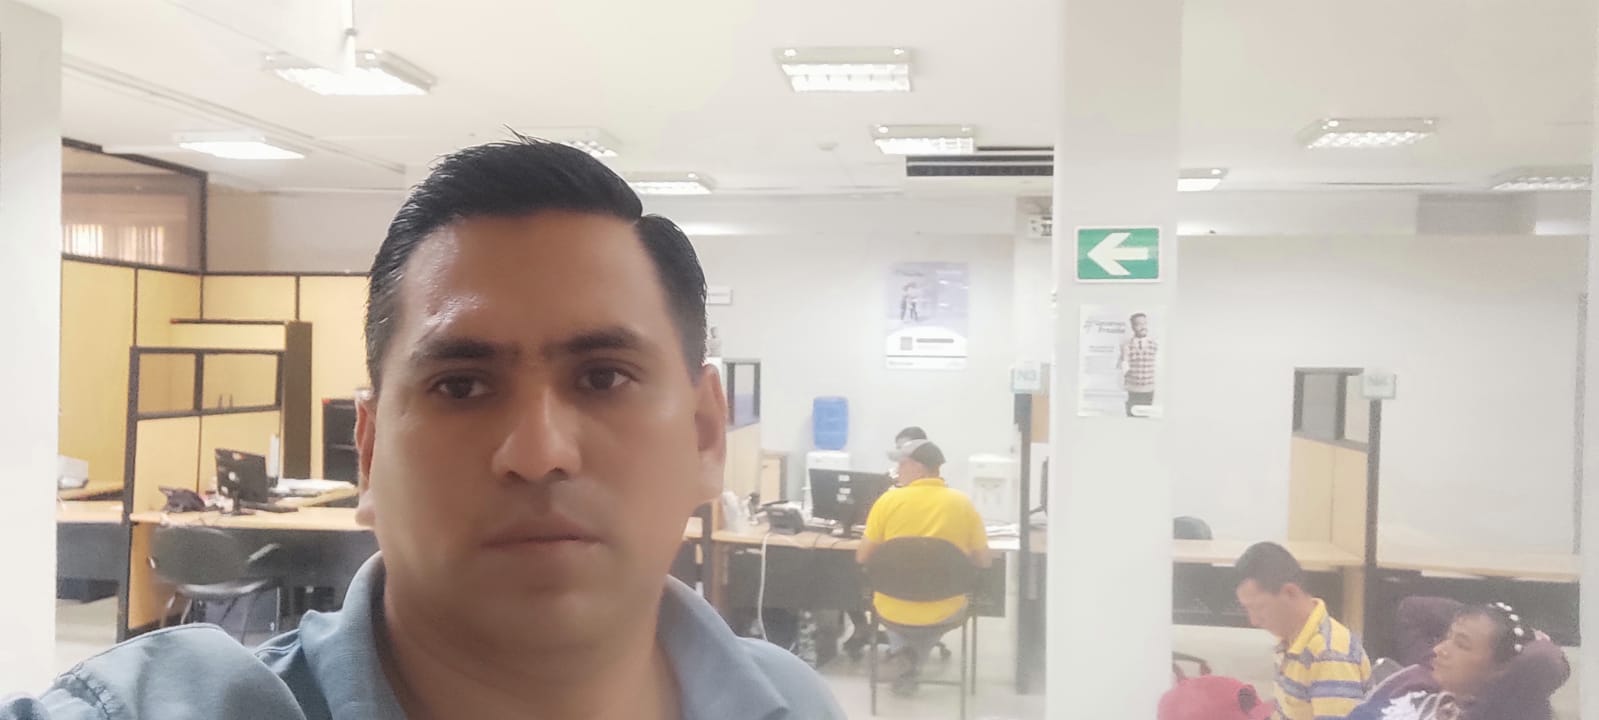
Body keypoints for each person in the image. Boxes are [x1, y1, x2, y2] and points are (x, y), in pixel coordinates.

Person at [2, 139, 843, 719]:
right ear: (369, 454)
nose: (538, 453)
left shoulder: (790, 703)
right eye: (461, 386)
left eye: (603, 378)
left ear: (704, 435)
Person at [856, 439, 989, 696]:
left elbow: (862, 557)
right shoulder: (962, 503)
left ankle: (905, 657)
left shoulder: (888, 501)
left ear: (918, 467)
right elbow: (984, 561)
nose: (897, 470)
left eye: (901, 464)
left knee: (898, 603)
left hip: (892, 607)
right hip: (945, 609)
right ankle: (912, 659)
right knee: (930, 609)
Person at [1234, 541, 1371, 720]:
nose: (1254, 621)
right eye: (1247, 609)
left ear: (1290, 592)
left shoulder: (1329, 655)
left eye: (1259, 608)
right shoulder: (1291, 638)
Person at [1348, 603, 1538, 720]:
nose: (1439, 650)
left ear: (1500, 669)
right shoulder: (1414, 690)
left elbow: (1546, 659)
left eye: (1462, 645)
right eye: (1447, 637)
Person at [839, 425, 932, 660]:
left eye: (904, 452)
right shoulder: (886, 486)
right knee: (841, 569)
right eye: (897, 450)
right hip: (894, 564)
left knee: (856, 568)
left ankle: (900, 640)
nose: (899, 460)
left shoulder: (935, 493)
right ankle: (862, 626)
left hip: (915, 571)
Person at [1119, 312, 1157, 417]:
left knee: (1145, 417)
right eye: (1138, 324)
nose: (1143, 327)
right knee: (1132, 416)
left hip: (1148, 390)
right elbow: (1123, 367)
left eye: (1144, 323)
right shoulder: (1126, 345)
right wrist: (1124, 359)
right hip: (1132, 390)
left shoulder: (1154, 344)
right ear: (1132, 327)